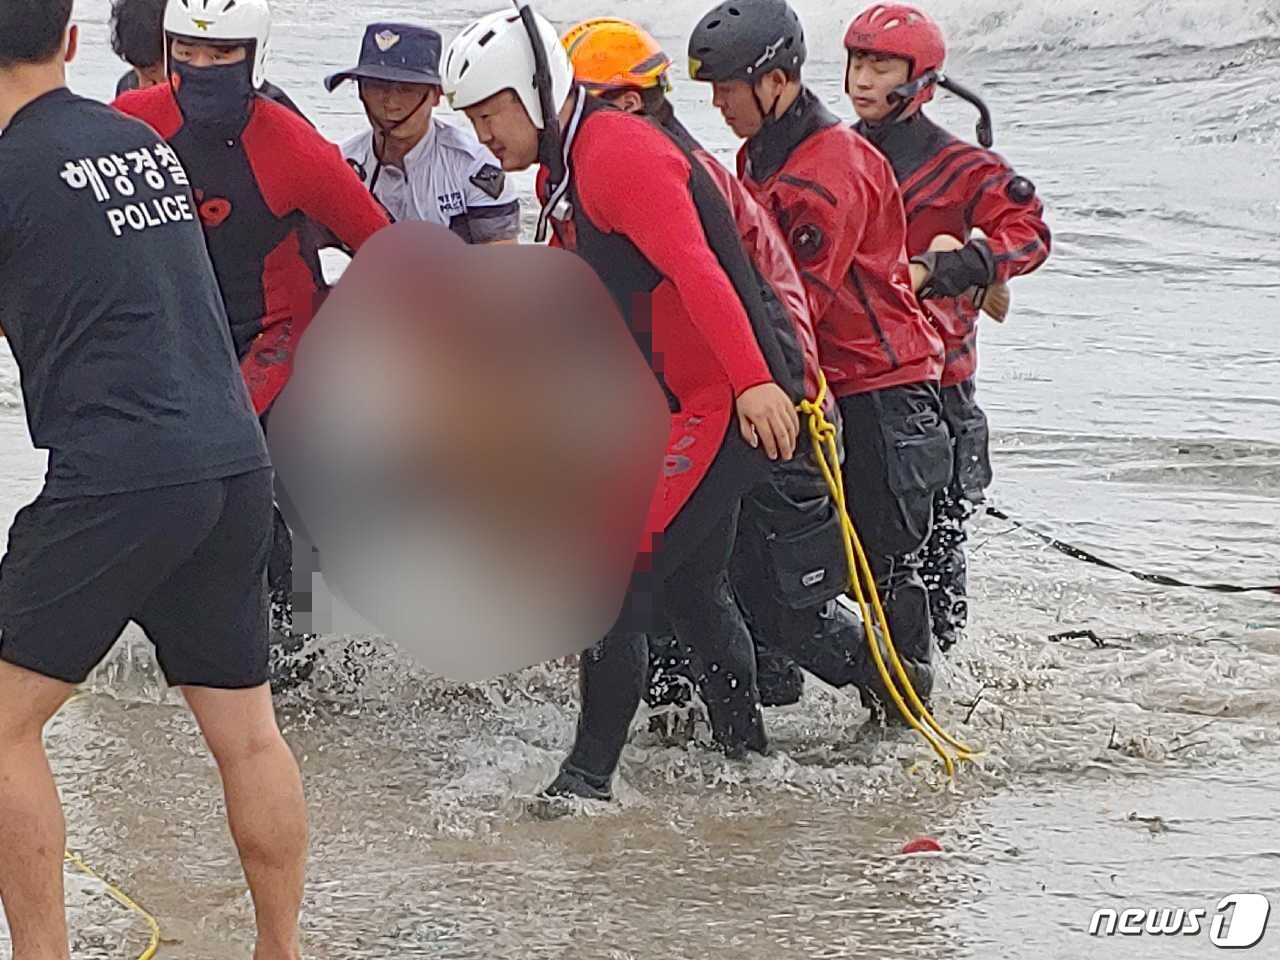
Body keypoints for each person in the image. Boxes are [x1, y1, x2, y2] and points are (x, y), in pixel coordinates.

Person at [0, 3, 307, 958]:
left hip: (120, 477)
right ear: (70, 42)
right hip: (233, 461)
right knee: (246, 733)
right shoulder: (140, 145)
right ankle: (281, 950)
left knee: (2, 727)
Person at [443, 6, 804, 803]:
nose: (483, 137)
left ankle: (585, 784)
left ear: (538, 92)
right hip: (669, 405)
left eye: (491, 114)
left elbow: (700, 268)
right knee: (693, 589)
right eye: (470, 121)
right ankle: (748, 757)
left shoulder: (615, 153)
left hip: (723, 399)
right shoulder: (563, 167)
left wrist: (755, 383)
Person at [561, 16, 876, 726]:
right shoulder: (646, 169)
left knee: (781, 604)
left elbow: (774, 303)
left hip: (773, 402)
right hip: (708, 404)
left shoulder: (669, 171)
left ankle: (895, 687)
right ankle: (723, 738)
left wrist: (770, 393)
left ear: (626, 104)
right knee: (696, 589)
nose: (718, 103)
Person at [113, 0, 391, 688]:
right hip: (188, 337)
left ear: (254, 56)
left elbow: (385, 246)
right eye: (187, 53)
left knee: (261, 484)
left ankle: (309, 657)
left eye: (221, 54)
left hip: (280, 333)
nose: (201, 68)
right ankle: (201, 639)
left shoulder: (294, 147)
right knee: (176, 485)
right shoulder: (133, 123)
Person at [688, 0, 953, 712]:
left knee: (874, 568)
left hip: (879, 390)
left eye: (727, 89)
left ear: (775, 82)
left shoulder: (829, 170)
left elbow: (794, 303)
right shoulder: (760, 154)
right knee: (782, 563)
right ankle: (785, 692)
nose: (717, 106)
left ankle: (907, 708)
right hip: (820, 386)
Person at [844, 3, 1051, 653]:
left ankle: (948, 671)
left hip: (941, 388)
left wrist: (952, 266)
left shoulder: (963, 167)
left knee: (938, 549)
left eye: (881, 66)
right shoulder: (834, 155)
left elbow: (1030, 234)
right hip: (855, 382)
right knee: (852, 548)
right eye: (856, 61)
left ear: (921, 80)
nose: (862, 79)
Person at [327, 23, 521, 242]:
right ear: (360, 91)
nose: (390, 104)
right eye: (377, 87)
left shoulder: (473, 166)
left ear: (436, 95)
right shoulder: (341, 166)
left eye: (407, 90)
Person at [110, 0, 305, 115]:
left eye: (153, 76)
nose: (141, 87)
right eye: (137, 72)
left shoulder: (270, 109)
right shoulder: (128, 90)